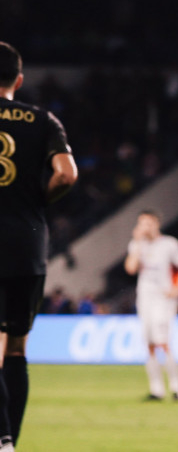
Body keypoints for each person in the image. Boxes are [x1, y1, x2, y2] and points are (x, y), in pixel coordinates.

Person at [0, 43, 77, 451]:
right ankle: (11, 442)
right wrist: (36, 202)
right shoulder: (42, 120)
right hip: (27, 242)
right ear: (18, 80)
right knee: (15, 348)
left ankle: (0, 439)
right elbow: (66, 175)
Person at [124, 210, 178, 401]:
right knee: (148, 342)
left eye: (148, 223)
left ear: (156, 224)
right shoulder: (137, 245)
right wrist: (137, 243)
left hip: (163, 299)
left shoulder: (169, 244)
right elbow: (131, 268)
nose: (144, 227)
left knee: (162, 341)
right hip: (145, 298)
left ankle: (177, 387)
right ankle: (156, 389)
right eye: (141, 223)